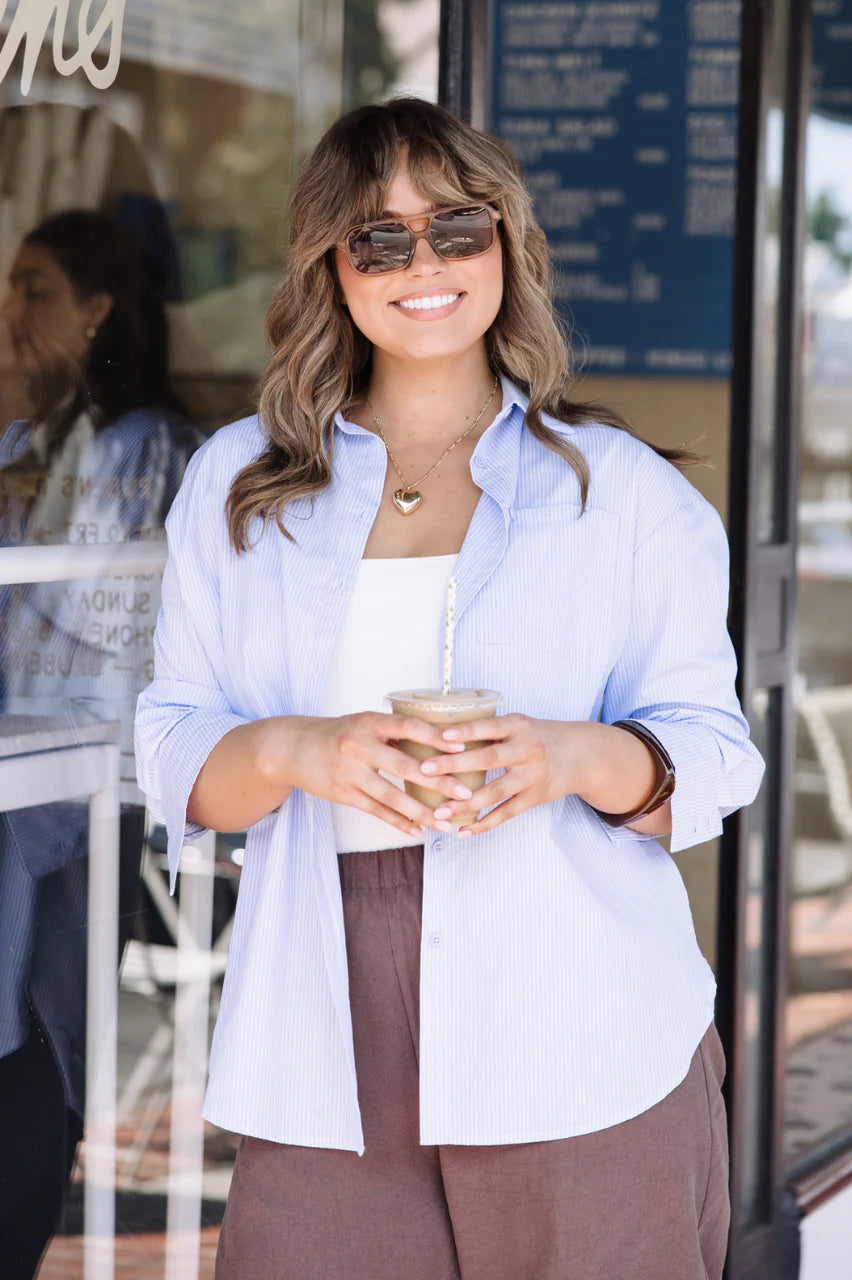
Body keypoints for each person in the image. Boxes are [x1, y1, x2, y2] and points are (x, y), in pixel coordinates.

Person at [135, 98, 765, 1280]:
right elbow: (174, 741)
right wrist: (296, 751)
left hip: (576, 1003)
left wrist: (571, 758)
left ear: (505, 245)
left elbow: (715, 752)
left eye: (455, 229)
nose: (421, 265)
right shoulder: (238, 486)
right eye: (378, 238)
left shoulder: (624, 494)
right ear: (332, 264)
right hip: (324, 1006)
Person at [0, 209, 199, 1278]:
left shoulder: (141, 447)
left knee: (40, 1037)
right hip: (18, 784)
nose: (11, 310)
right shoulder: (37, 439)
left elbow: (80, 618)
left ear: (97, 309)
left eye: (35, 288)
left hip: (81, 791)